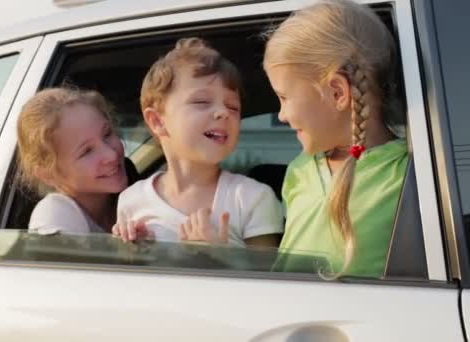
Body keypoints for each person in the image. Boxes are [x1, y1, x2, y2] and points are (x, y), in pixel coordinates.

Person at [263, 0, 408, 277]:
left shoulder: (409, 174)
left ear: (338, 93)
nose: (280, 115)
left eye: (283, 98)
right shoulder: (299, 170)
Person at [113, 37, 283, 247]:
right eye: (202, 102)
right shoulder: (132, 200)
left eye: (233, 107)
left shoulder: (252, 198)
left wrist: (219, 257)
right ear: (157, 121)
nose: (222, 112)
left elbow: (267, 278)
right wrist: (127, 251)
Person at [16, 86, 129, 235]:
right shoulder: (55, 214)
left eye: (107, 134)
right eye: (87, 151)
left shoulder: (134, 191)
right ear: (48, 174)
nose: (112, 155)